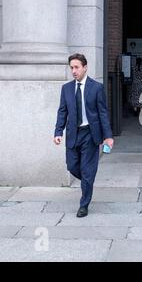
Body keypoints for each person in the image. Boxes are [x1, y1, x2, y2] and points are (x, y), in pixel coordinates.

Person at [54, 53, 114, 218]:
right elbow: (62, 112)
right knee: (72, 166)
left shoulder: (96, 87)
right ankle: (88, 181)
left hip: (90, 134)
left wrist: (108, 136)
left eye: (76, 67)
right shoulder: (66, 88)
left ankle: (84, 204)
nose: (74, 71)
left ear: (85, 67)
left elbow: (103, 113)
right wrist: (58, 131)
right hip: (73, 134)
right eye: (71, 68)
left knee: (87, 171)